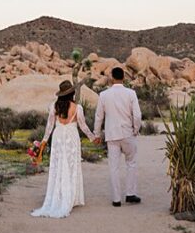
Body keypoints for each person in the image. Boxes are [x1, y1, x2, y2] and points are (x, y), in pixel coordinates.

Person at [30, 80, 95, 218]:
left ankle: (58, 195)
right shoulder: (78, 108)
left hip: (58, 136)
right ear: (71, 93)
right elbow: (83, 126)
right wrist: (92, 137)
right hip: (71, 136)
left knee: (58, 165)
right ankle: (72, 197)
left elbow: (49, 126)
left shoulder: (54, 106)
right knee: (72, 165)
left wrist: (43, 142)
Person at [93, 66, 144, 207]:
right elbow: (137, 115)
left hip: (112, 134)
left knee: (114, 167)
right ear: (123, 77)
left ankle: (116, 199)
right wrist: (136, 129)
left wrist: (97, 134)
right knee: (131, 163)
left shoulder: (104, 95)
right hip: (128, 133)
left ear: (112, 78)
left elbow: (99, 116)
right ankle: (130, 194)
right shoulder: (131, 93)